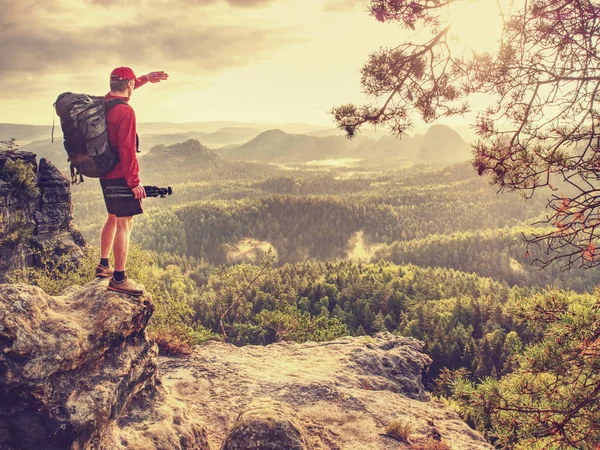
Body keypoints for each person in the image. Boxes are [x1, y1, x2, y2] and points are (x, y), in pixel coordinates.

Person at [95, 66, 168, 296]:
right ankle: (119, 278)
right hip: (120, 174)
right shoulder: (126, 112)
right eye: (133, 84)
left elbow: (126, 86)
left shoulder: (104, 103)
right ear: (128, 86)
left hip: (104, 172)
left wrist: (145, 79)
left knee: (112, 217)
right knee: (124, 224)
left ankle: (103, 265)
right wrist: (134, 182)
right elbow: (128, 150)